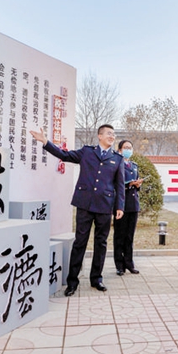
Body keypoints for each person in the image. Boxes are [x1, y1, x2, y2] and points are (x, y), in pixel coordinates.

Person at [30, 124, 125, 296]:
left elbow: (119, 185)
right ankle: (72, 282)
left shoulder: (117, 159)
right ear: (100, 136)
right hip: (84, 204)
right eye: (109, 133)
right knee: (80, 242)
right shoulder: (87, 152)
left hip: (105, 205)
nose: (112, 136)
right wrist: (45, 142)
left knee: (101, 243)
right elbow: (64, 155)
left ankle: (96, 279)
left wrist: (120, 206)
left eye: (114, 134)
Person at [113, 140, 143, 276]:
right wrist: (128, 184)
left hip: (133, 204)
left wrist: (137, 184)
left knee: (129, 236)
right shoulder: (116, 164)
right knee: (119, 236)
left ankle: (129, 263)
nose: (128, 150)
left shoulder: (134, 165)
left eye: (130, 148)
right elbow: (114, 184)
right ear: (119, 150)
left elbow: (136, 185)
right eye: (125, 147)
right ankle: (119, 265)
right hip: (121, 204)